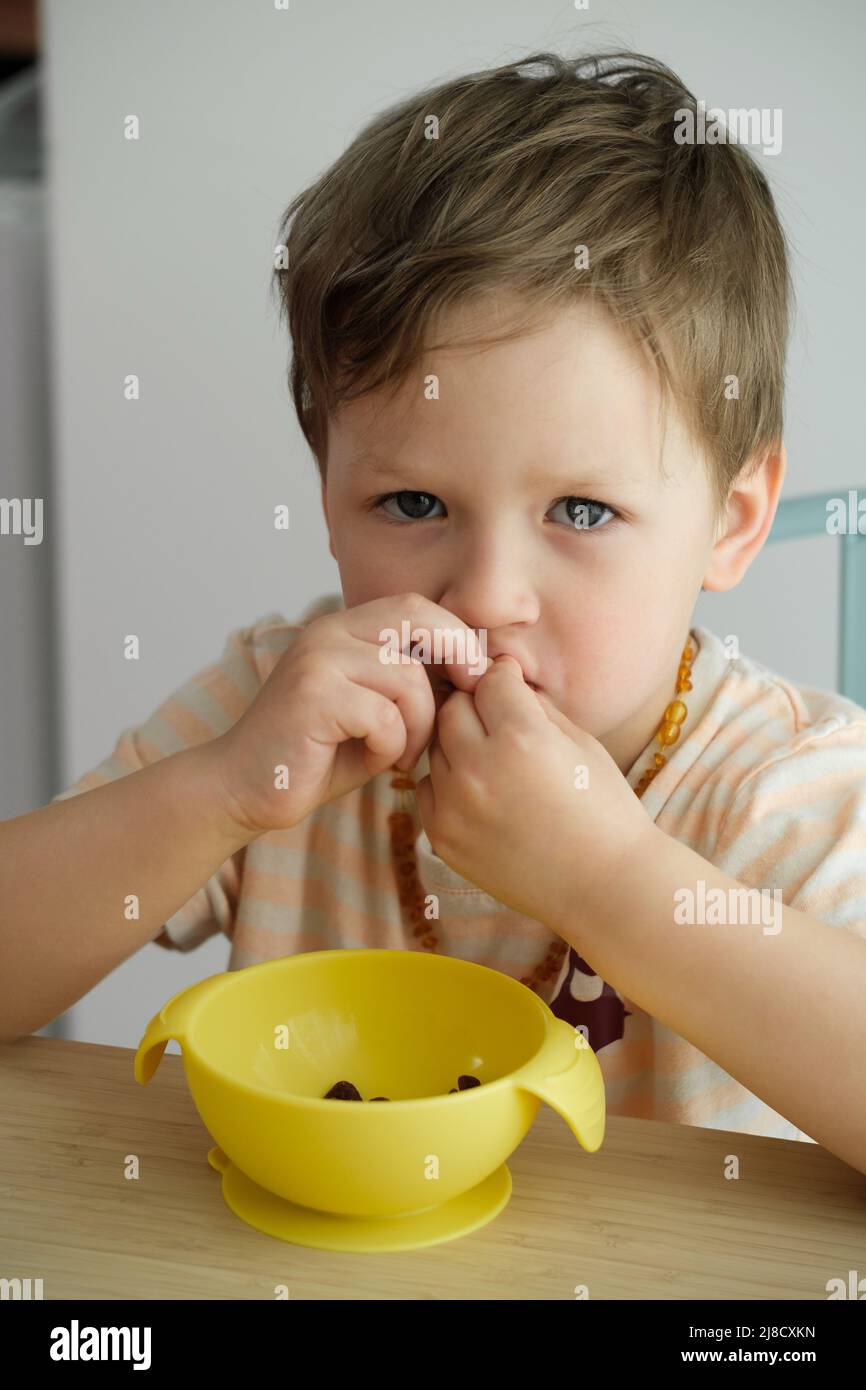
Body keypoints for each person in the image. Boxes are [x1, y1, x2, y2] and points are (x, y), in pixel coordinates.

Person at [2, 50, 865, 1173]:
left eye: (581, 511)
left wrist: (605, 878)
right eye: (412, 502)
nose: (485, 598)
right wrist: (217, 795)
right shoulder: (278, 712)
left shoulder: (782, 790)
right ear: (325, 496)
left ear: (732, 521)